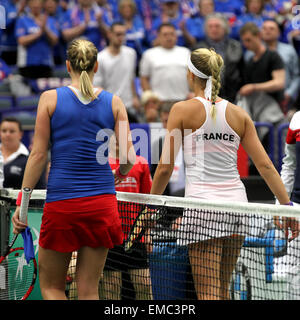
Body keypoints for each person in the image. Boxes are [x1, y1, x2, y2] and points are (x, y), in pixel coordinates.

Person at [149, 47, 299, 300]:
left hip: (202, 209)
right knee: (221, 290)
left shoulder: (181, 110)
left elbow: (164, 168)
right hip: (236, 208)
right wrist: (286, 207)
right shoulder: (239, 114)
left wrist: (149, 205)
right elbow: (266, 167)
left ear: (191, 75)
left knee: (207, 293)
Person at [11, 38, 136, 300]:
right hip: (102, 205)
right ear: (96, 66)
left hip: (63, 205)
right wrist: (119, 175)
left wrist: (22, 207)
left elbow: (38, 155)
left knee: (53, 288)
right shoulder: (114, 102)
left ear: (67, 65)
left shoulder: (49, 98)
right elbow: (128, 159)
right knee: (90, 291)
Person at [99, 135, 153, 300]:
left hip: (135, 234)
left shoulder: (140, 163)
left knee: (144, 286)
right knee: (111, 288)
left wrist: (148, 231)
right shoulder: (100, 164)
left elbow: (148, 200)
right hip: (108, 235)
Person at [94, 22, 140, 122]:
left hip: (128, 106)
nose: (121, 37)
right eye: (118, 34)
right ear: (109, 34)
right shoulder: (100, 58)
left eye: (123, 34)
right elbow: (97, 87)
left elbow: (131, 77)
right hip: (109, 108)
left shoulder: (131, 53)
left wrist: (135, 96)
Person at [194, 13, 244, 103]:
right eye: (210, 26)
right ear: (206, 30)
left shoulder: (236, 46)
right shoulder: (198, 49)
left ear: (225, 29)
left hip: (233, 95)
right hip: (206, 98)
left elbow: (242, 71)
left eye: (217, 26)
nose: (214, 29)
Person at [139, 22, 190, 103]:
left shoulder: (186, 52)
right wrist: (150, 97)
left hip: (183, 100)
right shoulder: (149, 54)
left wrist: (192, 93)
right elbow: (144, 78)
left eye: (172, 34)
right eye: (165, 34)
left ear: (176, 36)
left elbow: (192, 77)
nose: (169, 37)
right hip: (160, 102)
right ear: (158, 37)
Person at [260, 19, 300, 115]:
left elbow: (297, 75)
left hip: (286, 99)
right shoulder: (253, 52)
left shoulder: (289, 50)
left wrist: (289, 93)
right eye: (264, 28)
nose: (267, 31)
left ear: (278, 33)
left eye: (271, 28)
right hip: (261, 100)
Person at [15, 0, 59, 79]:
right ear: (29, 5)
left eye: (38, 3)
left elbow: (55, 40)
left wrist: (45, 29)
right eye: (33, 3)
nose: (36, 6)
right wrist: (39, 34)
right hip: (27, 64)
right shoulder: (22, 20)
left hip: (46, 63)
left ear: (42, 5)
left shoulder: (50, 20)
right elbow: (21, 41)